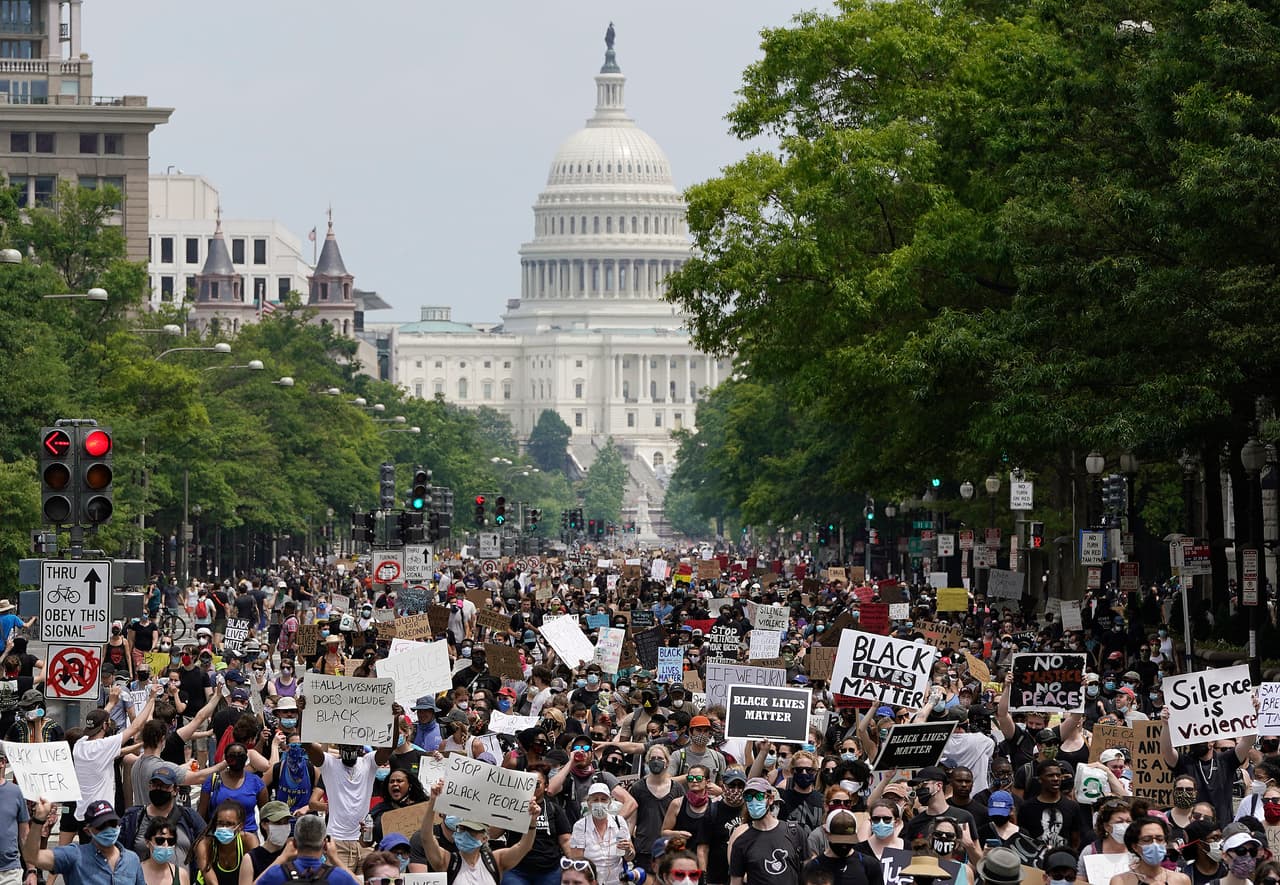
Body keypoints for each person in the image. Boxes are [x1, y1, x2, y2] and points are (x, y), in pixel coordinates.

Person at [419, 777, 542, 885]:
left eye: (472, 831)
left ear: (484, 838)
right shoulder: (447, 862)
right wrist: (433, 802)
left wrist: (532, 821)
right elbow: (426, 838)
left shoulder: (496, 861)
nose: (465, 834)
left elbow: (524, 846)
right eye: (462, 829)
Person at [1159, 703, 1257, 826]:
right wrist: (1166, 724)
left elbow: (1248, 741)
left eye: (1201, 736)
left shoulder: (1226, 761)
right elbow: (1166, 750)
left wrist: (1253, 713)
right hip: (1192, 829)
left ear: (1212, 741)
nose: (1197, 740)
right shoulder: (1184, 762)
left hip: (1221, 829)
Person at [25, 798, 144, 885]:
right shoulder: (74, 855)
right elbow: (32, 856)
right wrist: (38, 821)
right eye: (101, 826)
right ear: (88, 831)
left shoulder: (132, 859)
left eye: (112, 824)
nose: (108, 829)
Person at [119, 764, 208, 869]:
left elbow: (207, 847)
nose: (158, 789)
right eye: (155, 785)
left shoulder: (189, 817)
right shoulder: (134, 818)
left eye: (164, 786)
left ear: (175, 790)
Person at [727, 777, 806, 885]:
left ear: (771, 799)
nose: (754, 801)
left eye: (759, 796)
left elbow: (808, 872)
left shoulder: (794, 831)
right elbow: (736, 881)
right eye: (749, 797)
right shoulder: (741, 841)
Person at [505, 764, 572, 885]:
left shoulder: (554, 809)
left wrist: (575, 864)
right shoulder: (511, 807)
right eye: (528, 783)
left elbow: (565, 840)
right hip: (516, 870)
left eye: (536, 784)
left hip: (549, 871)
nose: (531, 787)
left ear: (546, 786)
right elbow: (494, 833)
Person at [254, 814, 359, 885]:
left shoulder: (276, 874)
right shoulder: (339, 877)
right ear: (325, 844)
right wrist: (335, 859)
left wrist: (282, 858)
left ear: (294, 843)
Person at [630, 744, 684, 872]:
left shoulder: (677, 788)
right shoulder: (637, 788)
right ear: (647, 762)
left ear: (667, 762)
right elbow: (632, 820)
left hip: (669, 850)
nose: (656, 761)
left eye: (660, 758)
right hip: (644, 849)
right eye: (653, 758)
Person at [570, 782, 635, 885]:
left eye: (603, 799)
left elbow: (630, 856)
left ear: (609, 802)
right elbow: (577, 861)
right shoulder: (580, 826)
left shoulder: (619, 822)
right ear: (589, 803)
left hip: (618, 880)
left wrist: (628, 850)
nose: (599, 803)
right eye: (595, 799)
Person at [802, 809, 883, 885]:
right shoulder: (813, 867)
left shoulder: (869, 865)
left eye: (847, 841)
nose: (843, 846)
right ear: (826, 833)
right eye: (838, 841)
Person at [900, 766, 978, 843]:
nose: (919, 789)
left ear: (939, 786)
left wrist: (969, 846)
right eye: (917, 786)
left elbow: (978, 854)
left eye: (923, 784)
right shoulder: (915, 823)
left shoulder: (964, 817)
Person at [1016, 760, 1083, 851]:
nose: (1056, 779)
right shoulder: (1027, 808)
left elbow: (1076, 840)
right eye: (1050, 775)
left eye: (1058, 775)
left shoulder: (1072, 807)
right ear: (1040, 779)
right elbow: (1022, 839)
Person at [1107, 815, 1191, 885]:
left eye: (1159, 839)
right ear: (1135, 846)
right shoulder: (1120, 881)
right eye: (1147, 840)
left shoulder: (1181, 880)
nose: (1154, 844)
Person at [699, 767, 746, 885]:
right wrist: (704, 878)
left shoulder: (750, 810)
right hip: (717, 877)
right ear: (723, 786)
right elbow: (703, 848)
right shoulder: (712, 810)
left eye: (740, 786)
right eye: (732, 785)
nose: (736, 789)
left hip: (744, 876)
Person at [194, 800, 250, 885]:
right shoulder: (204, 844)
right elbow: (211, 882)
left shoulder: (249, 841)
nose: (224, 828)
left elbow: (251, 877)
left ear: (240, 826)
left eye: (229, 824)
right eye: (220, 823)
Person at [1075, 797, 1132, 879]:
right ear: (1106, 826)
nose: (1125, 825)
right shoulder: (1090, 851)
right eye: (1119, 822)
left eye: (1128, 821)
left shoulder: (1137, 851)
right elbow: (1080, 880)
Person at [238, 801, 292, 885]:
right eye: (277, 823)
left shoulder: (293, 853)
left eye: (286, 822)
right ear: (264, 824)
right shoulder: (251, 858)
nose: (283, 827)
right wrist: (280, 860)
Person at [0, 753, 27, 885]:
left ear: (2, 762)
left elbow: (24, 835)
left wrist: (32, 870)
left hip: (10, 872)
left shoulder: (16, 792)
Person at [141, 818, 190, 885]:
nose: (165, 845)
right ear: (147, 842)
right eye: (160, 840)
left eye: (170, 841)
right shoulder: (135, 871)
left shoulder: (181, 875)